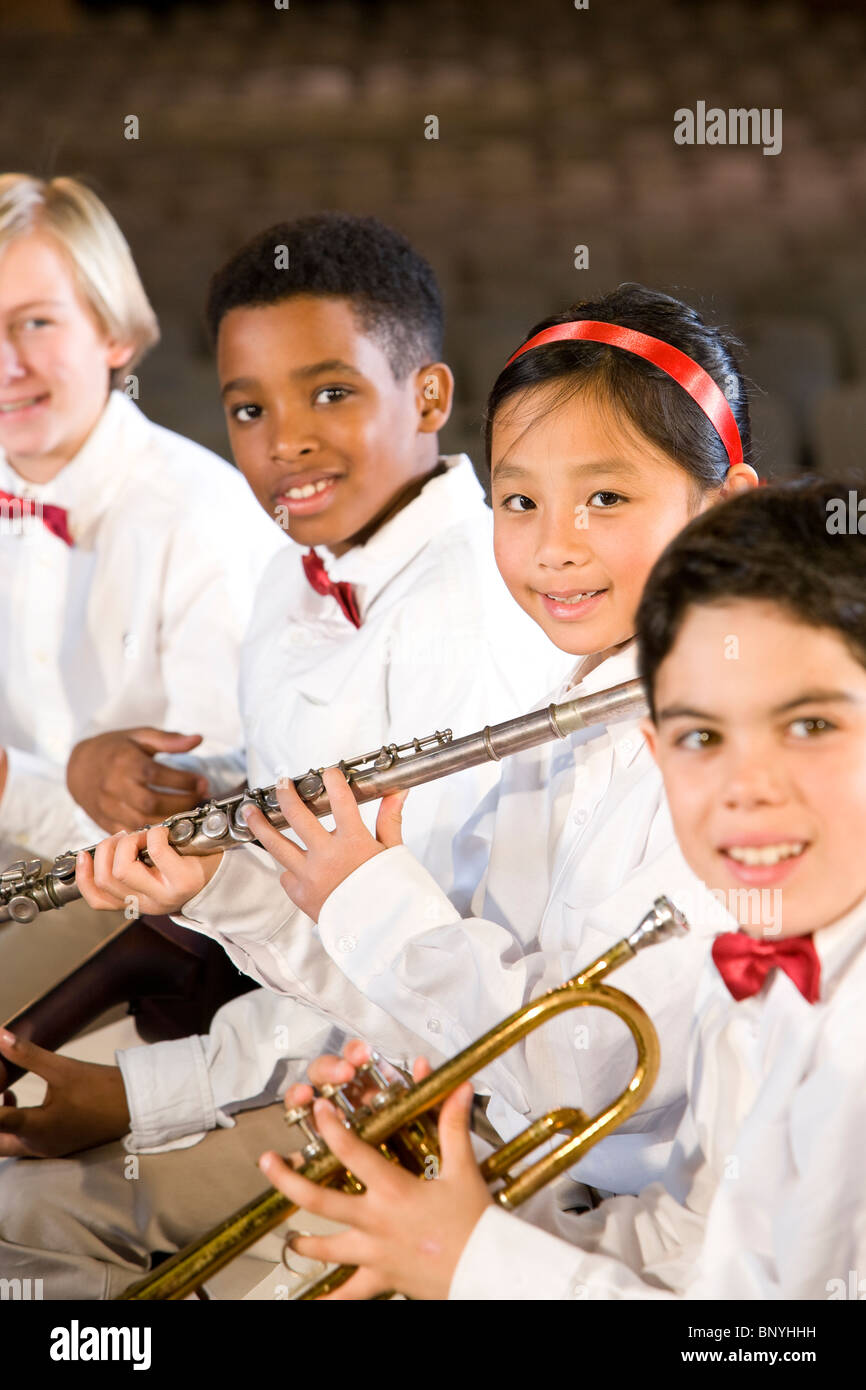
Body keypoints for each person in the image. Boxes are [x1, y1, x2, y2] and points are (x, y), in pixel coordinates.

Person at [76, 285, 758, 1203]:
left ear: (724, 511)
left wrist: (368, 893)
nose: (554, 546)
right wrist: (234, 893)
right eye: (520, 500)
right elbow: (437, 1015)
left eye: (605, 496)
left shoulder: (742, 773)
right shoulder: (558, 736)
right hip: (519, 1181)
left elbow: (579, 1067)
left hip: (635, 1242)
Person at [0, 214, 566, 1298]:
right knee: (22, 1213)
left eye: (332, 394)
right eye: (248, 410)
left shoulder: (483, 611)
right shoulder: (290, 581)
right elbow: (307, 869)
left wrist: (149, 1073)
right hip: (322, 1050)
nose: (283, 441)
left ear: (431, 400)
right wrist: (190, 790)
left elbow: (407, 979)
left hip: (450, 1110)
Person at [260, 478, 866, 1302]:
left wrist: (474, 1265)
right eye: (700, 736)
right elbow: (702, 1254)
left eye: (810, 726)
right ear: (656, 751)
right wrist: (449, 1227)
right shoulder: (766, 957)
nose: (742, 787)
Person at [0, 174, 283, 1014]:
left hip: (160, 932)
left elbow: (217, 835)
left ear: (114, 335)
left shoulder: (203, 519)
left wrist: (14, 788)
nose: (7, 365)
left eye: (36, 324)